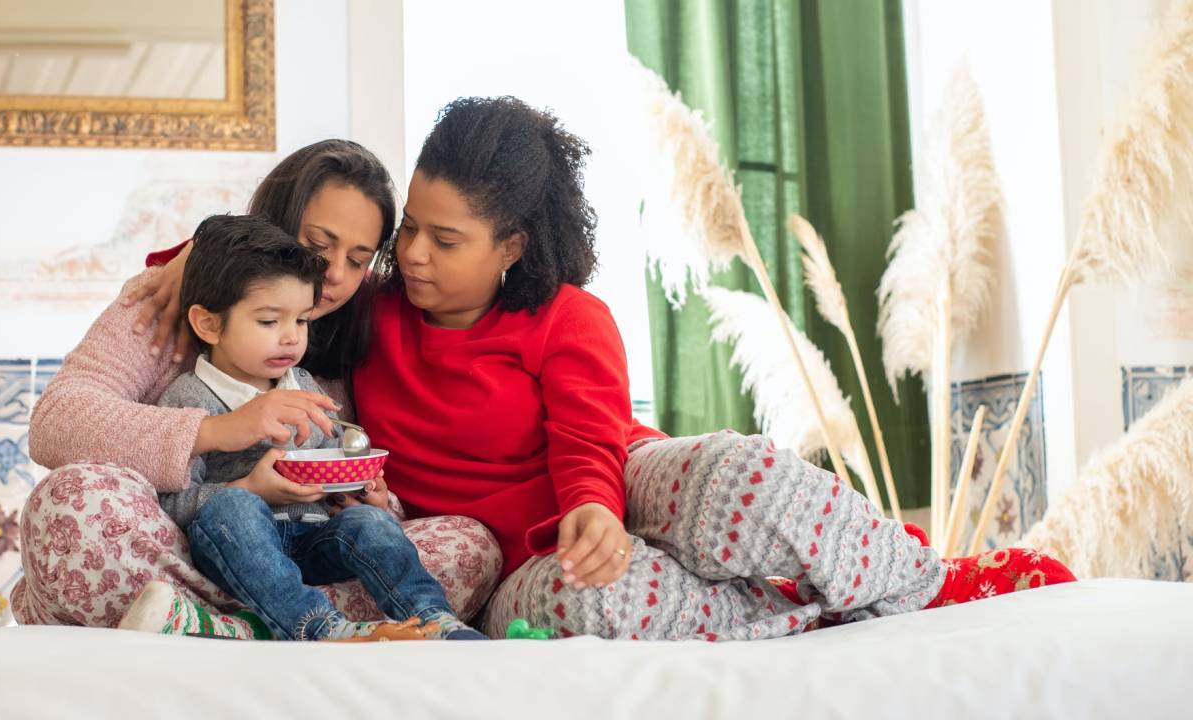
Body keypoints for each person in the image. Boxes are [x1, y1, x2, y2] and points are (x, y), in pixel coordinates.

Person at [351, 96, 1076, 640]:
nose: (412, 252)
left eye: (445, 240)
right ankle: (801, 611)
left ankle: (926, 584)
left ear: (510, 246)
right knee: (604, 600)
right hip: (516, 566)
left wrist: (595, 507)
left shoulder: (566, 317)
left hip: (611, 489)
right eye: (410, 226)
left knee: (743, 470)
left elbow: (588, 442)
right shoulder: (364, 318)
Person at [15, 141, 502, 636]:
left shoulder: (348, 328)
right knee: (73, 501)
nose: (333, 275)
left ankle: (223, 627)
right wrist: (217, 430)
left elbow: (345, 484)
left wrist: (374, 502)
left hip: (305, 555)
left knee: (469, 544)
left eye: (357, 260)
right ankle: (273, 624)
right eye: (316, 246)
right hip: (177, 554)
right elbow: (55, 423)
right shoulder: (170, 300)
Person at [116, 213, 485, 641]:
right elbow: (172, 506)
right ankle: (319, 627)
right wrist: (249, 489)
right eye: (270, 322)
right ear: (209, 324)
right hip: (237, 545)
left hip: (311, 535)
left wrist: (362, 493)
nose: (291, 338)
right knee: (234, 510)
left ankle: (434, 620)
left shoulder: (305, 385)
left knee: (370, 524)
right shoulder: (190, 398)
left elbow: (331, 463)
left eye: (302, 321)